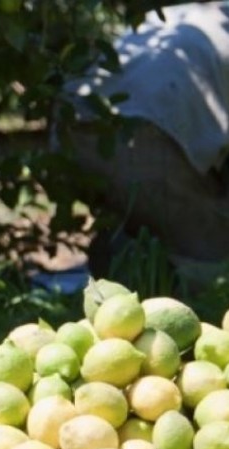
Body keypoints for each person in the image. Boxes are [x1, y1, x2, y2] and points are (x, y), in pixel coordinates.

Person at [57, 2, 229, 285]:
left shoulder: (184, 15)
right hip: (146, 130)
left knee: (133, 222)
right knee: (211, 260)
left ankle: (117, 281)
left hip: (71, 122)